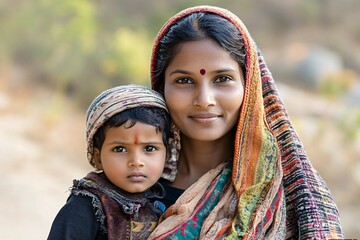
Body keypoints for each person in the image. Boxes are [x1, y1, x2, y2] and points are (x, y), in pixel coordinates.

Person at [148, 5, 344, 239]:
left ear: (250, 86)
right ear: (161, 88)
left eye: (222, 79)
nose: (204, 100)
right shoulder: (128, 186)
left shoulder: (293, 198)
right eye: (184, 80)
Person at [48, 85, 171, 240]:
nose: (136, 162)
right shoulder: (84, 207)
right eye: (120, 149)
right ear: (98, 157)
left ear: (167, 154)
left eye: (150, 148)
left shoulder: (164, 201)